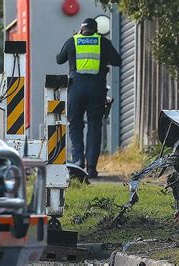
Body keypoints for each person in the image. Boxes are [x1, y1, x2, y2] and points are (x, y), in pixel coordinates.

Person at [57, 18, 121, 178]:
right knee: (94, 126)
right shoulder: (103, 42)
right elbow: (117, 61)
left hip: (76, 89)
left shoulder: (73, 41)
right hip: (96, 89)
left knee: (75, 125)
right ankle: (91, 168)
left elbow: (59, 59)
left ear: (81, 29)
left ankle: (78, 162)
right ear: (96, 30)